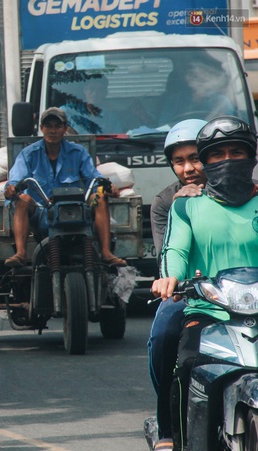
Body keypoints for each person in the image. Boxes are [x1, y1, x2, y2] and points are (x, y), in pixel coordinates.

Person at [151, 115, 258, 451]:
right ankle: (178, 439)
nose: (227, 160)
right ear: (208, 160)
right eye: (217, 154)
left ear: (251, 156)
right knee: (184, 365)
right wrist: (170, 277)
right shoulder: (186, 205)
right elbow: (175, 250)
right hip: (209, 310)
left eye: (236, 152)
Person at [146, 119, 208, 450]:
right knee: (164, 334)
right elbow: (169, 256)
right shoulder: (166, 202)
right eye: (179, 161)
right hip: (190, 291)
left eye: (195, 158)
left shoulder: (244, 190)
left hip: (242, 292)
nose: (188, 168)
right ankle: (166, 423)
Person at [4, 107, 126, 267]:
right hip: (41, 212)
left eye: (57, 126)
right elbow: (15, 179)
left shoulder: (78, 152)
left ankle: (106, 252)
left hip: (74, 210)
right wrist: (11, 188)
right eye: (48, 126)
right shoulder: (29, 154)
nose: (52, 131)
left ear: (65, 129)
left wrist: (108, 187)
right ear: (41, 129)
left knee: (100, 198)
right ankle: (20, 253)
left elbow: (93, 177)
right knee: (23, 200)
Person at [158, 58, 234, 127]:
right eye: (190, 74)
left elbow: (228, 128)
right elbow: (164, 126)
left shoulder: (222, 102)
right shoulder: (174, 100)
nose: (190, 77)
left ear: (208, 75)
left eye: (197, 75)